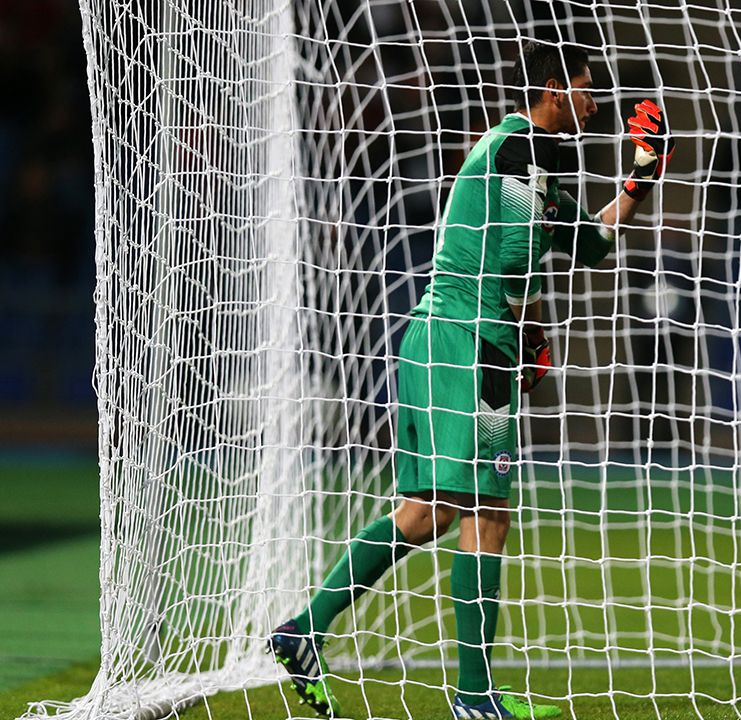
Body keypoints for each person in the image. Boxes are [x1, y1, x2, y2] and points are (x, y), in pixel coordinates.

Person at [268, 40, 673, 720]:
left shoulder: (528, 165)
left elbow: (592, 245)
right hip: (470, 344)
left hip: (439, 340)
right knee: (487, 515)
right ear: (553, 90)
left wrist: (639, 181)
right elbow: (516, 258)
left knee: (429, 511)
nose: (594, 104)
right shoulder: (524, 148)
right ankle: (475, 697)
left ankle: (304, 630)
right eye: (585, 89)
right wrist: (531, 330)